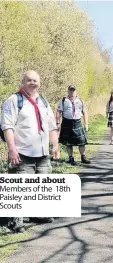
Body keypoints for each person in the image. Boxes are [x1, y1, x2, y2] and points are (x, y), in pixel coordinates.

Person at [0, 70, 59, 233]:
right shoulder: (14, 100)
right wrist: (11, 149)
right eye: (29, 80)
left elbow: (52, 126)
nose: (32, 83)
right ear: (23, 82)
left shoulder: (43, 101)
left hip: (42, 153)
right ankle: (15, 221)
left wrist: (55, 145)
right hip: (22, 152)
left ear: (39, 83)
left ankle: (37, 214)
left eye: (35, 80)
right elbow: (7, 126)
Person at [56, 85, 90, 164]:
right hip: (67, 122)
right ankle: (71, 158)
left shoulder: (80, 100)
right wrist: (58, 123)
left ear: (76, 91)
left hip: (77, 122)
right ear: (68, 91)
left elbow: (85, 112)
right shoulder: (63, 100)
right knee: (68, 142)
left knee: (82, 141)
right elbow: (58, 112)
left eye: (73, 90)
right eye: (70, 90)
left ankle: (83, 157)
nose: (72, 92)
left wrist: (86, 124)